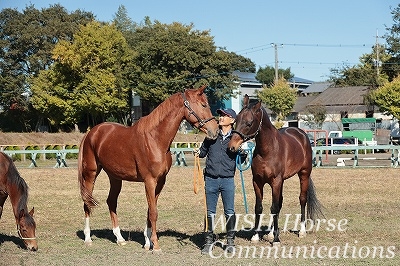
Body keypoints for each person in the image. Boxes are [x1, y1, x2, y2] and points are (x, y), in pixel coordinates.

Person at [195, 108, 246, 255]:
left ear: (232, 120)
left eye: (225, 115)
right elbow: (203, 152)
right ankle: (208, 241)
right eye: (221, 115)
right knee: (209, 212)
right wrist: (198, 151)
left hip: (227, 180)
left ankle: (230, 241)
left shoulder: (235, 139)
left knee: (229, 211)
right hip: (210, 179)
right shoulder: (212, 134)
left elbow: (241, 161)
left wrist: (243, 153)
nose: (221, 117)